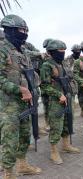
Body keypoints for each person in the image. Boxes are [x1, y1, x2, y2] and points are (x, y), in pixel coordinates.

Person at [0, 14, 42, 179]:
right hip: (8, 106)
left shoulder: (23, 50)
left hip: (26, 104)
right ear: (10, 30)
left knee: (25, 136)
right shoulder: (2, 49)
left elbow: (29, 72)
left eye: (26, 30)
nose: (24, 33)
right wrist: (20, 89)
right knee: (9, 141)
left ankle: (23, 165)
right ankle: (9, 173)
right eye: (21, 30)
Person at [40, 39, 80, 165]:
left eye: (64, 51)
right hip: (56, 101)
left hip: (68, 97)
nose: (62, 53)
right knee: (56, 126)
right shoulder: (47, 65)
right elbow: (44, 86)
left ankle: (66, 145)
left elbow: (71, 77)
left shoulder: (65, 63)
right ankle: (53, 152)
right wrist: (58, 94)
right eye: (59, 51)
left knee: (68, 122)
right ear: (52, 52)